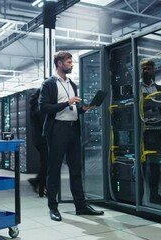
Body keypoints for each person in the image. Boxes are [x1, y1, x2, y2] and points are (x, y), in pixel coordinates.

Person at [39, 51, 104, 221]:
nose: (72, 64)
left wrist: (84, 109)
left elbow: (72, 109)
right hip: (57, 130)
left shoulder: (72, 84)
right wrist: (66, 103)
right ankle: (53, 208)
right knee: (54, 170)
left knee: (76, 169)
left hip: (73, 130)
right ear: (59, 63)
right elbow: (44, 107)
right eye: (69, 62)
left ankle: (81, 206)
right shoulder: (49, 84)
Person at [139, 59, 161, 204]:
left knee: (156, 165)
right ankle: (141, 195)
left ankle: (154, 195)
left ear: (154, 70)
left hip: (156, 129)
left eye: (149, 68)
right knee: (142, 163)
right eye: (143, 68)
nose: (146, 70)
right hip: (142, 130)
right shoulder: (136, 88)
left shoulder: (159, 89)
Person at [27, 88, 48, 197]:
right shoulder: (40, 109)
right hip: (43, 140)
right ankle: (40, 186)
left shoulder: (35, 107)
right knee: (46, 164)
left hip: (39, 140)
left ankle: (37, 182)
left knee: (45, 163)